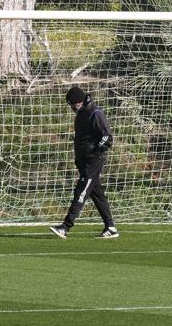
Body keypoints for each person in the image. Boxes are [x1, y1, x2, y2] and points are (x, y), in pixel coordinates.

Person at [50, 87, 119, 239]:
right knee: (97, 194)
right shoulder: (81, 114)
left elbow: (107, 137)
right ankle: (111, 227)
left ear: (79, 102)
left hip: (93, 161)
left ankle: (65, 226)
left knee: (81, 191)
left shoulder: (95, 113)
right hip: (83, 161)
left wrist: (95, 152)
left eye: (72, 105)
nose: (72, 108)